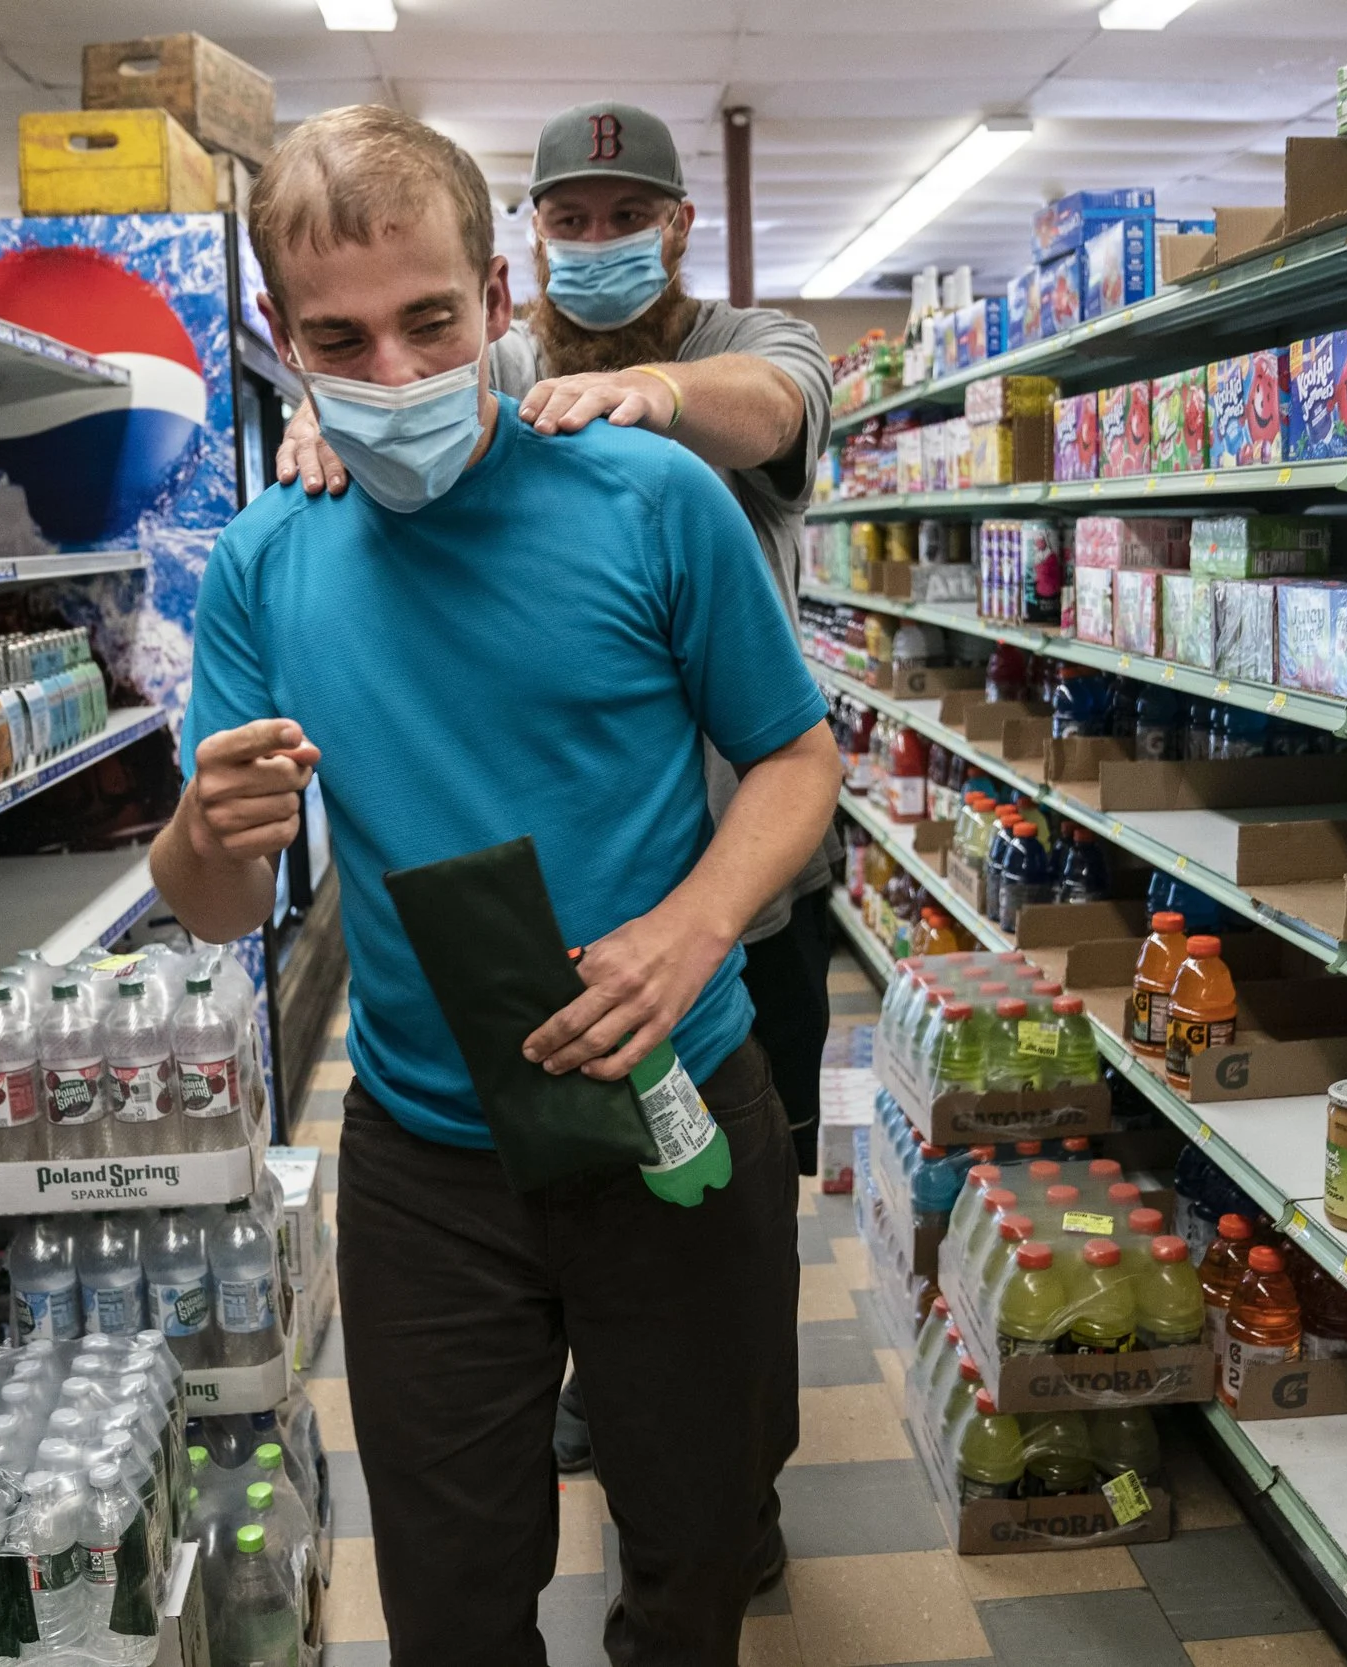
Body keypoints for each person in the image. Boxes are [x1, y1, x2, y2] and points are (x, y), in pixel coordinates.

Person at [152, 105, 842, 1667]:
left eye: (430, 323)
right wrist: (206, 830)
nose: (391, 377)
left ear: (496, 295)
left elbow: (798, 762)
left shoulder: (653, 501)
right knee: (453, 1601)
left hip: (676, 1104)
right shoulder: (270, 559)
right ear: (280, 336)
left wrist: (695, 923)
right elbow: (204, 906)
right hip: (428, 1155)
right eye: (339, 339)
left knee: (695, 1562)